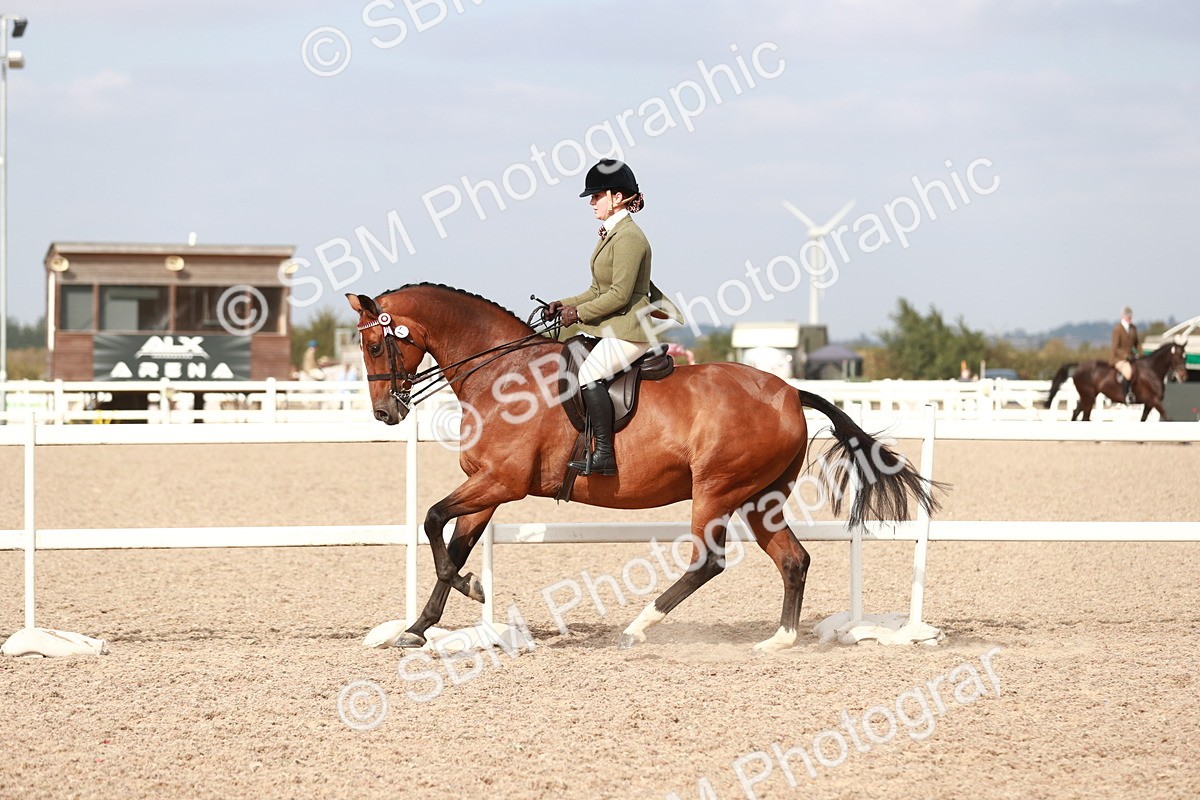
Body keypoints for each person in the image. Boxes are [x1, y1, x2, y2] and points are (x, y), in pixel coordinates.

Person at [545, 158, 682, 476]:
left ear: (617, 197)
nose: (592, 202)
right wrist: (562, 304)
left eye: (596, 196)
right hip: (614, 327)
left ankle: (605, 455)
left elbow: (619, 295)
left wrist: (577, 314)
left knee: (588, 375)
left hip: (630, 330)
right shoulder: (611, 235)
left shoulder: (631, 239)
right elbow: (596, 290)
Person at [1111, 306, 1140, 404]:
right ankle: (1126, 395)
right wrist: (1125, 355)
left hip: (1132, 358)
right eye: (1127, 316)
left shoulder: (1133, 328)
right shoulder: (1117, 329)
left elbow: (1137, 344)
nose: (1129, 318)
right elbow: (1115, 348)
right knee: (1128, 371)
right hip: (1119, 358)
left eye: (1130, 316)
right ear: (1123, 316)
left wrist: (1141, 354)